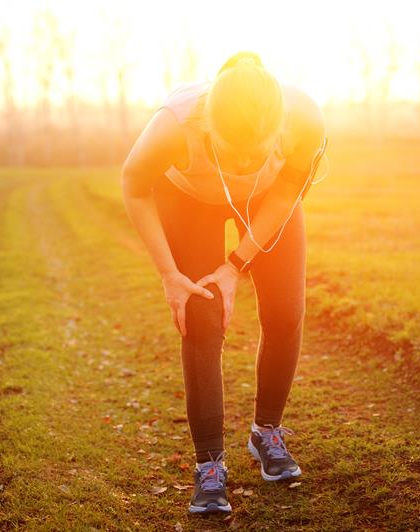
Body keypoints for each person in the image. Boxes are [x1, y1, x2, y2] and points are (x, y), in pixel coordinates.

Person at [120, 51, 328, 514]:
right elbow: (133, 185)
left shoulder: (305, 120)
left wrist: (236, 265)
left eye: (256, 152)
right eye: (232, 152)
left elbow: (288, 190)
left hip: (266, 202)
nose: (243, 163)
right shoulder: (175, 125)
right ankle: (209, 465)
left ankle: (266, 433)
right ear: (209, 125)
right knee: (202, 318)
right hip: (189, 199)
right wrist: (170, 275)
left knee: (285, 313)